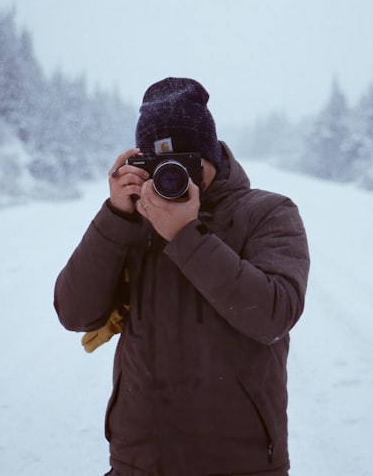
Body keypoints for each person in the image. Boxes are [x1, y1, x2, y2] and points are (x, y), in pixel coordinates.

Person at [55, 77, 310, 476]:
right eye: (157, 165)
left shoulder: (268, 212)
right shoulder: (132, 219)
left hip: (239, 464)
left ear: (213, 155)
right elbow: (74, 314)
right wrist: (115, 215)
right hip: (138, 461)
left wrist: (185, 234)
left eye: (186, 162)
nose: (173, 177)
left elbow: (274, 315)